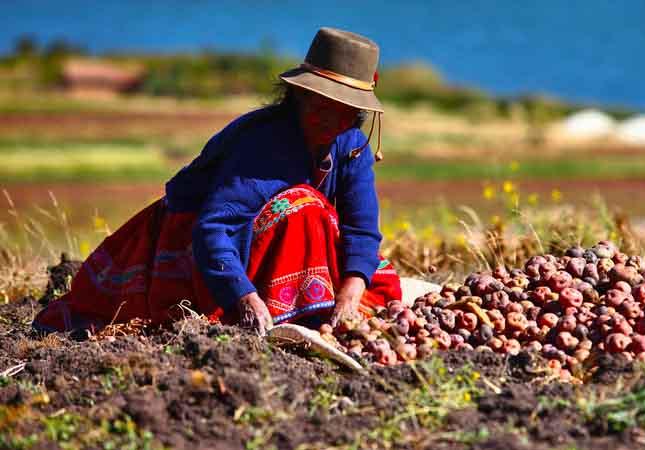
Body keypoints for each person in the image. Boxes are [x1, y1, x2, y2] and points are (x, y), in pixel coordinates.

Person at [33, 27, 402, 336]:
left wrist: (350, 295)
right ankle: (292, 308)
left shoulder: (352, 145)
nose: (330, 120)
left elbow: (360, 228)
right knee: (305, 207)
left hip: (265, 241)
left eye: (344, 110)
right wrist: (243, 298)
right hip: (194, 245)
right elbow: (214, 229)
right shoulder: (264, 143)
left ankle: (310, 304)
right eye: (320, 104)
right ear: (299, 96)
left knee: (371, 271)